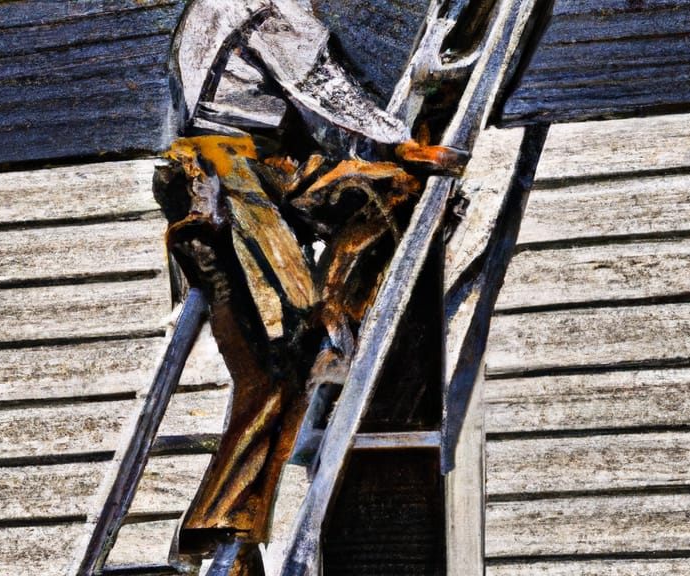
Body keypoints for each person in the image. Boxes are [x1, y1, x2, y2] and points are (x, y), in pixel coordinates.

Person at [154, 1, 462, 573]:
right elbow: (319, 80)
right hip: (236, 175)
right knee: (390, 188)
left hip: (208, 188)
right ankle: (336, 321)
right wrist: (400, 143)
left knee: (269, 376)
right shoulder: (263, 2)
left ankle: (230, 535)